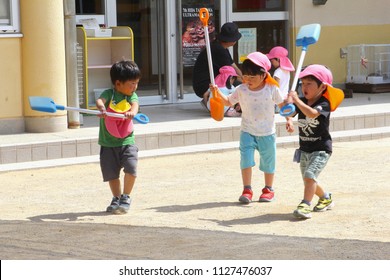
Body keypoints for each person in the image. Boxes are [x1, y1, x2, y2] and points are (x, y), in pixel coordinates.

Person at [210, 52, 285, 204]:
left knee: (268, 162)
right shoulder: (241, 89)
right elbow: (228, 102)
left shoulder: (272, 89)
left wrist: (289, 118)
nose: (248, 80)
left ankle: (268, 189)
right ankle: (247, 189)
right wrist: (216, 92)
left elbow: (284, 107)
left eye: (252, 77)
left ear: (263, 75)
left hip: (267, 133)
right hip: (247, 131)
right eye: (245, 76)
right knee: (245, 160)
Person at [285, 64, 341, 219]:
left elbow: (311, 114)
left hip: (321, 149)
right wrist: (289, 115)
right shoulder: (301, 100)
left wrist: (296, 100)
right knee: (309, 179)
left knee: (310, 176)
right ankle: (326, 198)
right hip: (304, 148)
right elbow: (287, 111)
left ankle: (305, 205)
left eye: (309, 84)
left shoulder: (324, 103)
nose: (304, 87)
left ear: (322, 86)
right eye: (303, 84)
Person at [95, 60, 141, 214]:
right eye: (131, 84)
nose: (134, 87)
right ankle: (116, 198)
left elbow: (135, 106)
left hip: (127, 141)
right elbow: (100, 100)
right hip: (108, 143)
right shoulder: (109, 94)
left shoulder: (132, 97)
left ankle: (126, 197)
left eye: (136, 83)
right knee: (111, 173)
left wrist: (132, 113)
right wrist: (101, 107)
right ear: (118, 83)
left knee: (131, 167)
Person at [193, 22, 243, 110]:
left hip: (206, 82)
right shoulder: (218, 50)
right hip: (205, 85)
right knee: (239, 86)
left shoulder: (220, 46)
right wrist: (247, 82)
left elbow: (233, 65)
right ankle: (216, 102)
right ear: (232, 40)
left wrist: (244, 78)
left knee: (241, 82)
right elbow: (232, 76)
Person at [266, 46, 295, 112]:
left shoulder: (278, 71)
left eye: (272, 60)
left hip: (278, 101)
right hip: (285, 99)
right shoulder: (286, 71)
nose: (271, 62)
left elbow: (275, 87)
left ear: (278, 59)